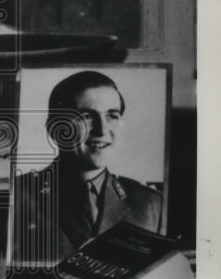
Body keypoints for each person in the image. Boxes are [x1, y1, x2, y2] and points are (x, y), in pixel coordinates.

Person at [11, 70, 162, 266]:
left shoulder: (151, 204)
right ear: (55, 129)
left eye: (112, 116)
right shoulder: (17, 196)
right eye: (87, 116)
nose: (101, 130)